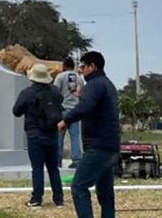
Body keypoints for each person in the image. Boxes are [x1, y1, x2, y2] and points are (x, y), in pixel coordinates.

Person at [58, 51, 120, 218]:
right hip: (111, 147)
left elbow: (86, 108)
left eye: (83, 66)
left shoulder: (94, 85)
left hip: (97, 146)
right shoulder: (107, 84)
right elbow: (93, 106)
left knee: (79, 187)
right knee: (106, 194)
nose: (80, 70)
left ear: (92, 66)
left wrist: (65, 120)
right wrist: (82, 96)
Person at [13, 64, 65, 209]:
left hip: (34, 134)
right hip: (52, 134)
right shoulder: (54, 91)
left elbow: (16, 111)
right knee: (53, 168)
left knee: (37, 168)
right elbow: (60, 103)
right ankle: (59, 199)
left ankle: (36, 199)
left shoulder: (27, 93)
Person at [54, 57, 83, 168]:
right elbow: (81, 93)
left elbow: (55, 92)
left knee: (59, 136)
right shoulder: (79, 78)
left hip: (62, 109)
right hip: (75, 110)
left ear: (64, 66)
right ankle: (76, 160)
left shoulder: (60, 76)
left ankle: (57, 161)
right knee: (75, 136)